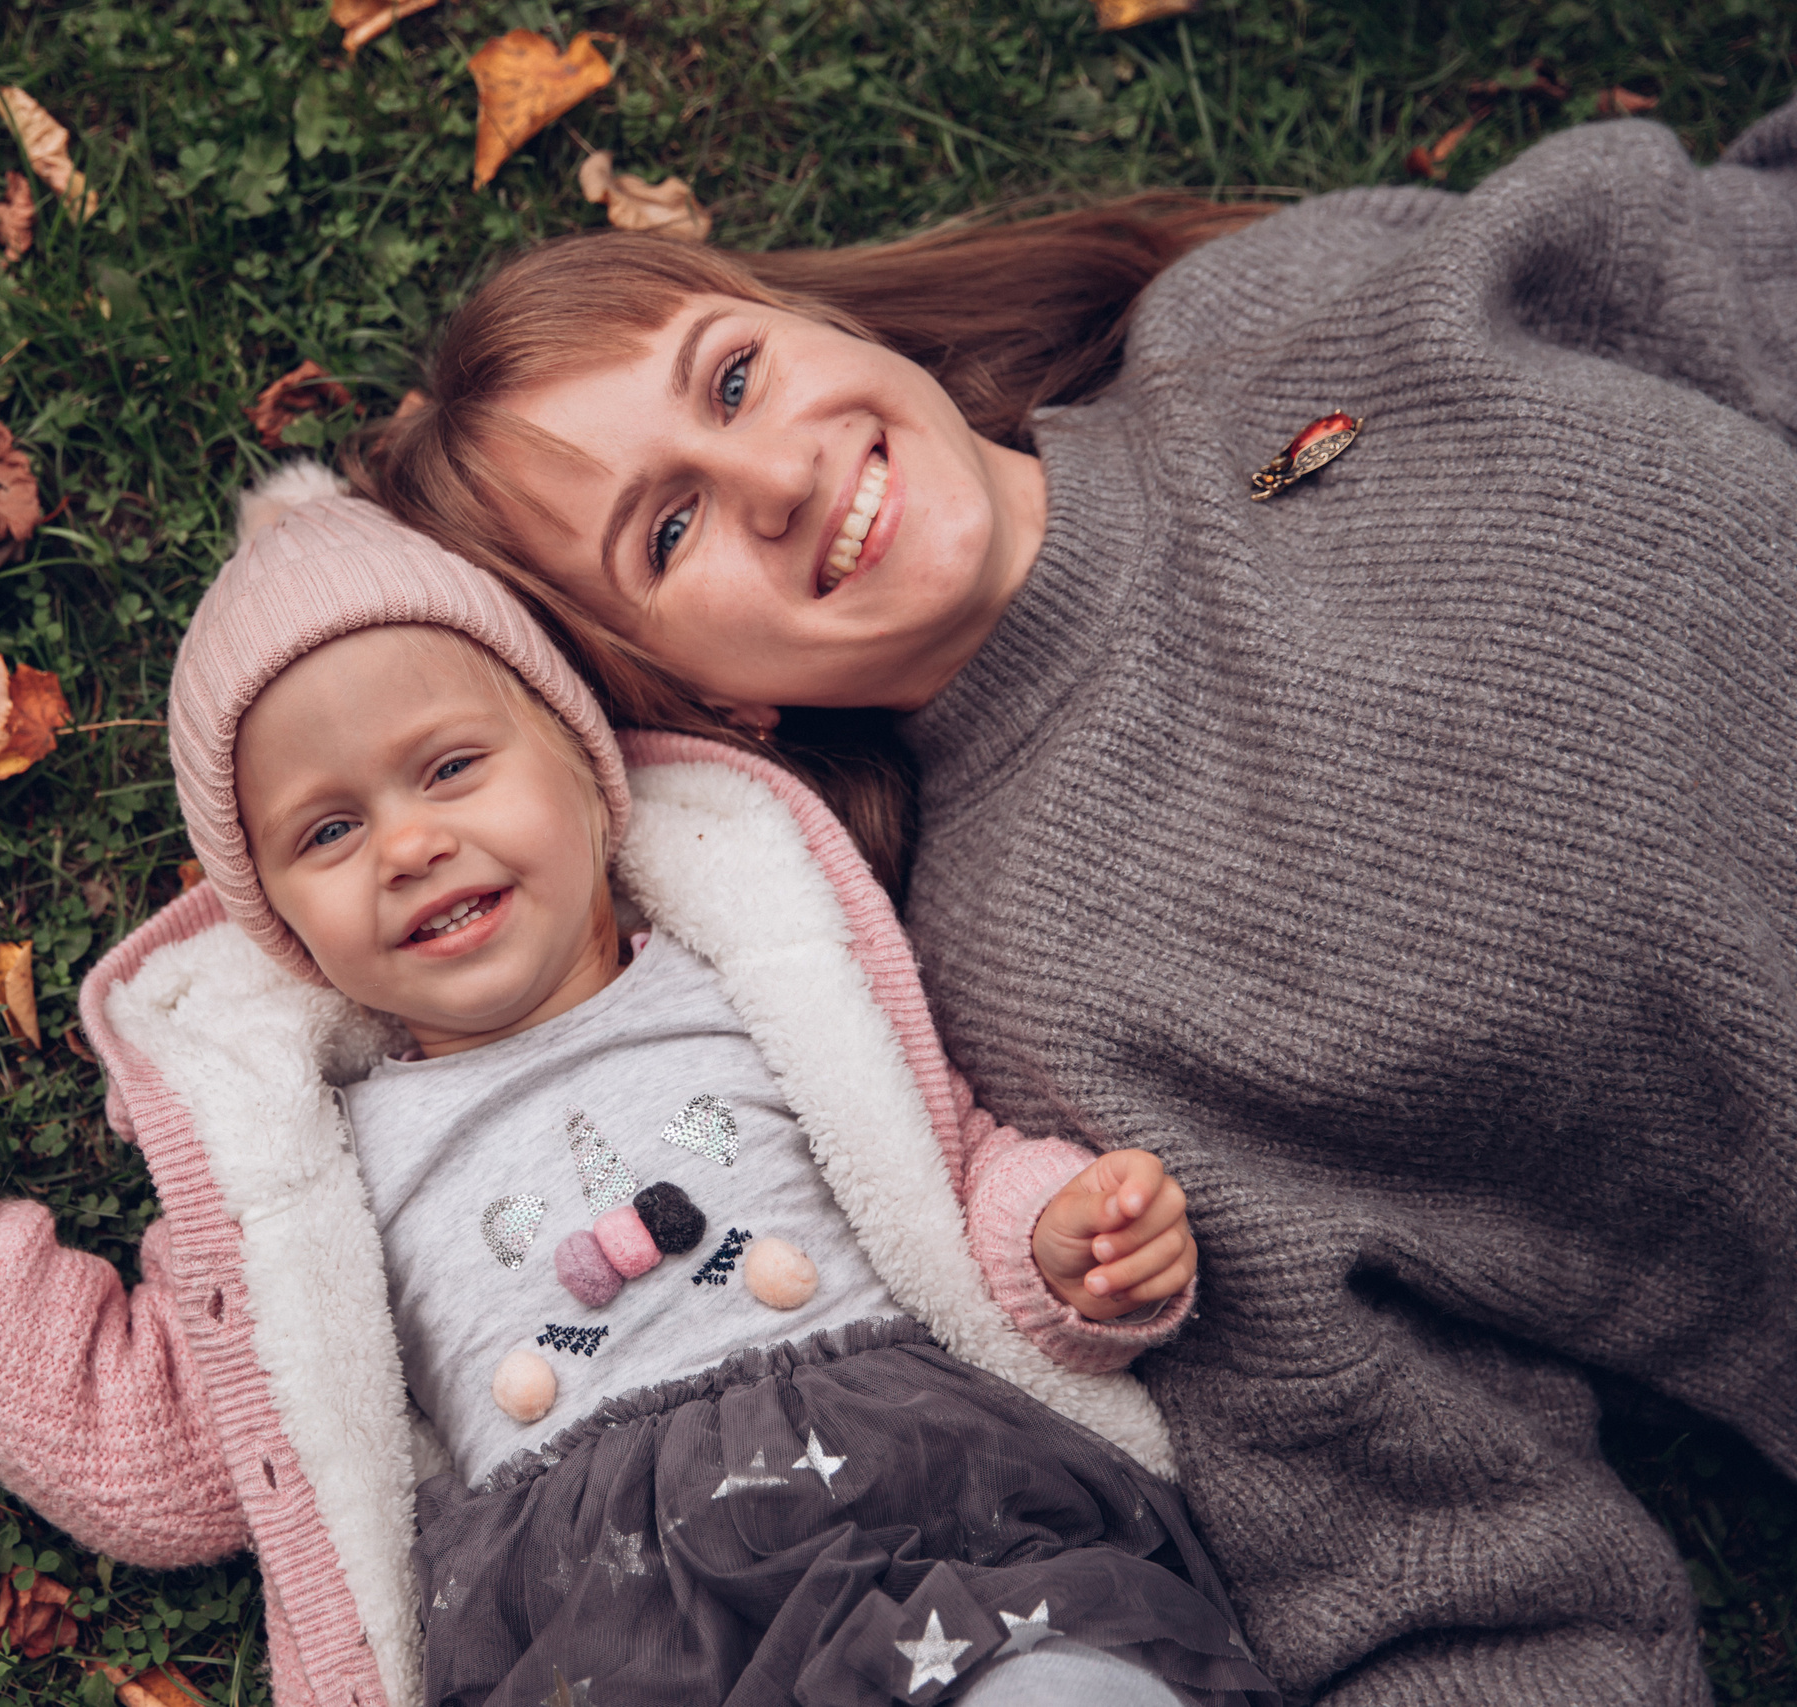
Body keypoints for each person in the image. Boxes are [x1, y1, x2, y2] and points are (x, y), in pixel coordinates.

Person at [342, 99, 1797, 1707]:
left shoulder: (1278, 310)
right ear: (697, 701)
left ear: (817, 321)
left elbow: (1737, 267)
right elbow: (1424, 1551)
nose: (776, 476)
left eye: (734, 377)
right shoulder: (1034, 989)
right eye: (669, 531)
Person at [0, 478, 1280, 1706]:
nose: (409, 845)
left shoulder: (760, 983)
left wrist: (1059, 1241)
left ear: (584, 768)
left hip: (908, 1511)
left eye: (451, 766)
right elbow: (176, 1461)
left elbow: (941, 1172)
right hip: (596, 1617)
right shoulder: (311, 1180)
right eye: (328, 832)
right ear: (282, 929)